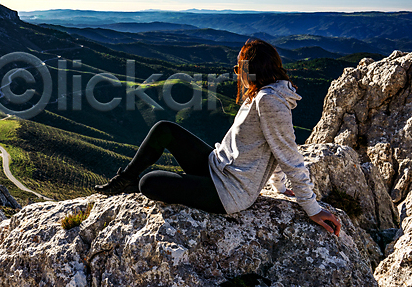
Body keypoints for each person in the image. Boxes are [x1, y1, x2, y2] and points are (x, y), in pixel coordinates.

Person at [94, 39, 341, 236]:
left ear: (252, 69)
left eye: (239, 68)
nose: (237, 75)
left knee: (148, 183)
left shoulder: (269, 101)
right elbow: (271, 145)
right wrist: (279, 187)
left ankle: (136, 182)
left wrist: (311, 208)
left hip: (230, 191)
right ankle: (123, 180)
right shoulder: (261, 94)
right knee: (164, 128)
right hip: (217, 166)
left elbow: (286, 152)